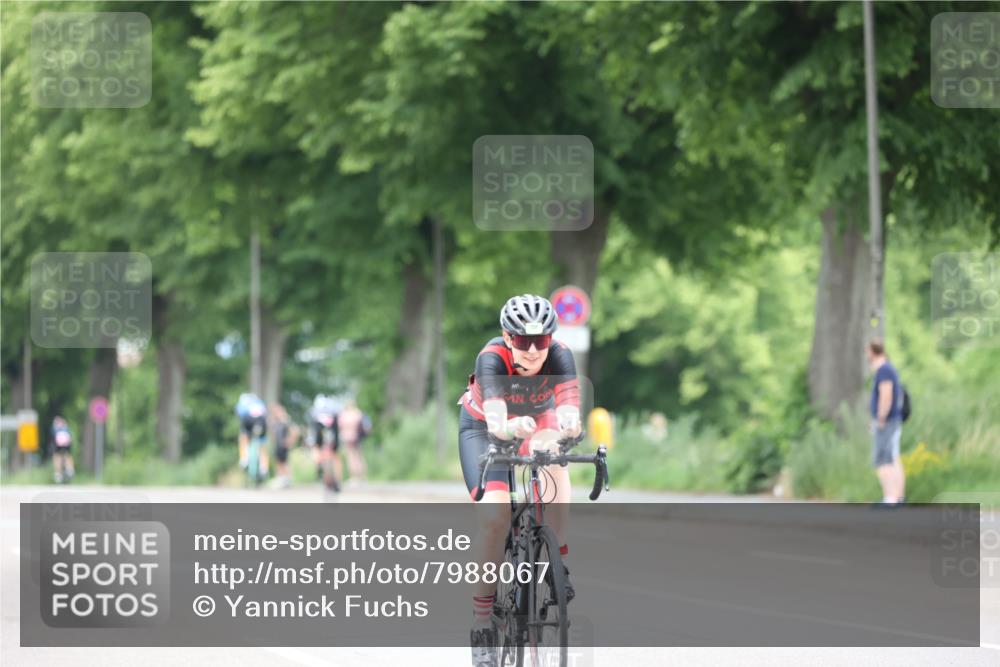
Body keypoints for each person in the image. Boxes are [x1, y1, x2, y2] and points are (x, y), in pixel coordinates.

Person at [457, 294, 582, 667]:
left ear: (550, 340)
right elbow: (497, 420)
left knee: (555, 465)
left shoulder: (560, 356)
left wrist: (570, 425)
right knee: (495, 520)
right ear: (507, 337)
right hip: (485, 427)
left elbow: (568, 410)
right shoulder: (491, 358)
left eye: (540, 341)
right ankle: (482, 624)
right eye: (523, 341)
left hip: (535, 421)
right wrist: (508, 426)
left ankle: (557, 563)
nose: (531, 350)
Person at [867, 340, 906, 506]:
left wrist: (880, 418)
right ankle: (898, 497)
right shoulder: (889, 369)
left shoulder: (883, 370)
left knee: (883, 459)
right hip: (892, 420)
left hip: (887, 421)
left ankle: (890, 498)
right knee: (894, 458)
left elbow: (886, 395)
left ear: (872, 352)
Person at [309, 394, 342, 492]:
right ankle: (335, 480)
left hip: (323, 433)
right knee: (334, 457)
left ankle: (325, 475)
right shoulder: (333, 410)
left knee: (320, 454)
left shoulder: (317, 411)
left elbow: (315, 430)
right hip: (331, 433)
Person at [336, 398, 370, 484]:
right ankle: (363, 477)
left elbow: (340, 426)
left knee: (351, 457)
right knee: (359, 456)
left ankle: (354, 477)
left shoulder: (344, 414)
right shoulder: (358, 413)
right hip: (358, 438)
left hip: (348, 438)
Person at [235, 393, 269, 475]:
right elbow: (265, 414)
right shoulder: (260, 403)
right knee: (262, 445)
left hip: (248, 422)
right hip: (261, 423)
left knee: (243, 437)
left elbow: (239, 415)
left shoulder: (243, 403)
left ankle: (244, 459)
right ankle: (264, 467)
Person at [269, 403, 299, 489]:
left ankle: (288, 480)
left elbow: (295, 431)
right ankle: (280, 479)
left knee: (284, 463)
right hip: (277, 445)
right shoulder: (276, 422)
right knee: (278, 462)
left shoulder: (285, 421)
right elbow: (273, 433)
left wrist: (290, 441)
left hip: (283, 445)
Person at [50, 416, 75, 484]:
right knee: (68, 455)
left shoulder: (55, 428)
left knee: (56, 456)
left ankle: (58, 474)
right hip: (67, 446)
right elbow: (70, 438)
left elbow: (52, 438)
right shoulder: (66, 428)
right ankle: (70, 469)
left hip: (57, 446)